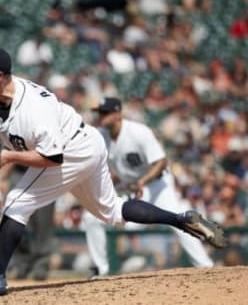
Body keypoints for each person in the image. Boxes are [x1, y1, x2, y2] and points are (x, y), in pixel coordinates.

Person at [0, 44, 225, 298]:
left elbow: (53, 159)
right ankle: (182, 218)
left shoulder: (32, 109)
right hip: (86, 142)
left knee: (17, 200)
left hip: (74, 149)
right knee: (112, 211)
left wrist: (6, 157)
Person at [83, 97, 214, 278]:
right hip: (129, 186)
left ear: (118, 113)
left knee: (177, 217)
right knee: (91, 218)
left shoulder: (138, 132)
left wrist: (143, 181)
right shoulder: (100, 135)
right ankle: (101, 269)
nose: (101, 116)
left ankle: (206, 267)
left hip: (156, 185)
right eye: (100, 113)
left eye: (105, 112)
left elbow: (161, 161)